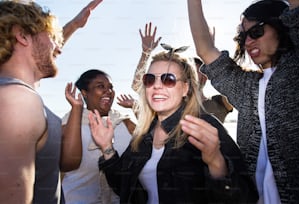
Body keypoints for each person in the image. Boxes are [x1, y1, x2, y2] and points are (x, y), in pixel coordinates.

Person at [88, 48, 258, 203]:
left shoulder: (204, 125)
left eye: (168, 79)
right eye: (149, 79)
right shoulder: (143, 136)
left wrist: (217, 164)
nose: (156, 86)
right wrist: (106, 148)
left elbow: (245, 197)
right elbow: (123, 187)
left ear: (185, 88)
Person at [188, 0, 299, 203]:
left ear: (282, 25)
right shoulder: (246, 87)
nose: (248, 42)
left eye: (257, 32)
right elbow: (205, 50)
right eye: (243, 37)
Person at [0, 1, 84, 203]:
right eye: (52, 37)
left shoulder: (19, 94)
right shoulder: (17, 101)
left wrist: (75, 25)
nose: (58, 47)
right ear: (22, 35)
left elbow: (63, 163)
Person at [62, 69, 135, 204]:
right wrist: (76, 108)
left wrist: (137, 108)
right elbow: (67, 164)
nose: (108, 91)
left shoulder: (124, 122)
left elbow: (153, 146)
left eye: (110, 87)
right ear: (84, 92)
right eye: (100, 86)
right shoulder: (70, 121)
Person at [194, 57, 233, 123]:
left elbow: (236, 89)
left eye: (194, 71)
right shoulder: (177, 106)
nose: (190, 75)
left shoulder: (220, 102)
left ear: (205, 77)